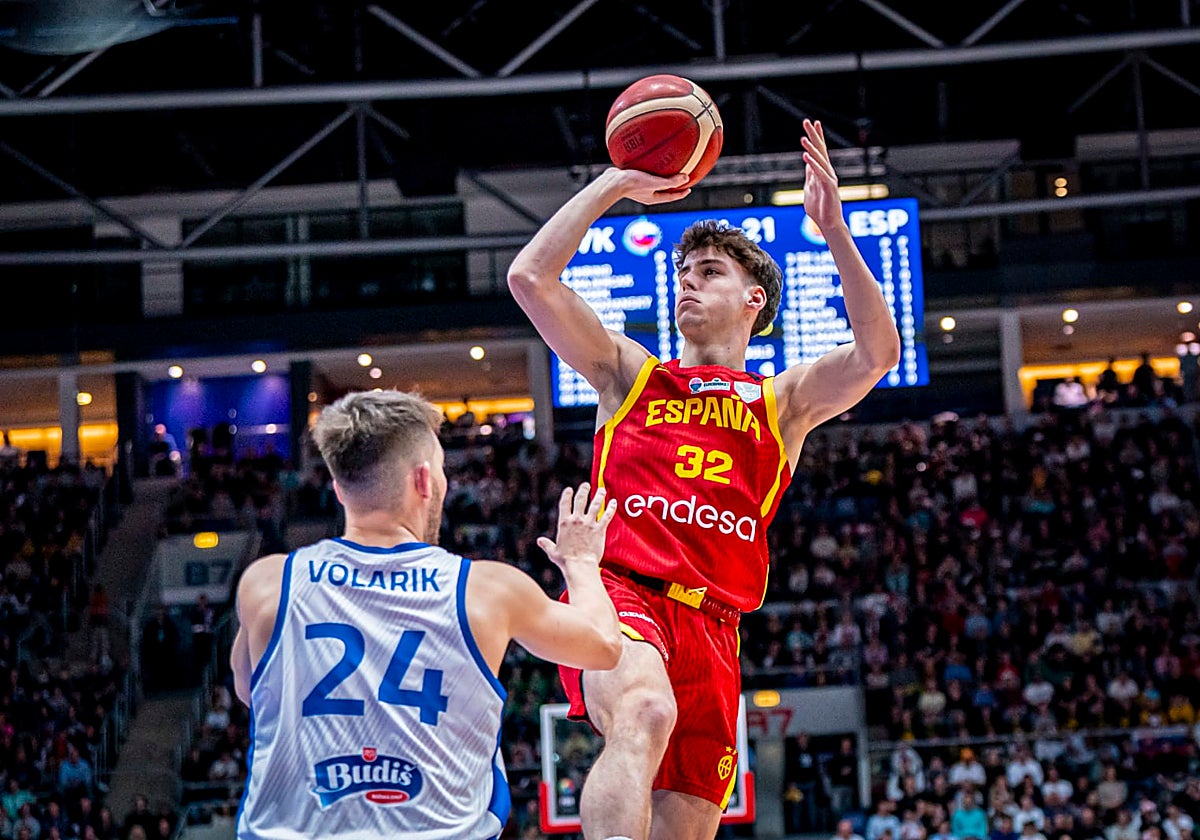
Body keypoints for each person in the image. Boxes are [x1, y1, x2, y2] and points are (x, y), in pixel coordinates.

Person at [508, 119, 900, 839]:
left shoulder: (780, 403)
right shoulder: (631, 374)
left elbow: (878, 353)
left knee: (688, 824)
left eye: (710, 273)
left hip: (716, 627)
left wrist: (835, 232)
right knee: (645, 711)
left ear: (756, 300)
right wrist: (618, 182)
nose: (688, 282)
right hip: (624, 593)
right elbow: (530, 278)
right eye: (683, 275)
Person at [230, 389, 623, 839]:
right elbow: (604, 645)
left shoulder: (268, 583)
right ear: (423, 480)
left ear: (339, 488)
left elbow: (250, 691)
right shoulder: (486, 590)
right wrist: (581, 564)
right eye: (439, 470)